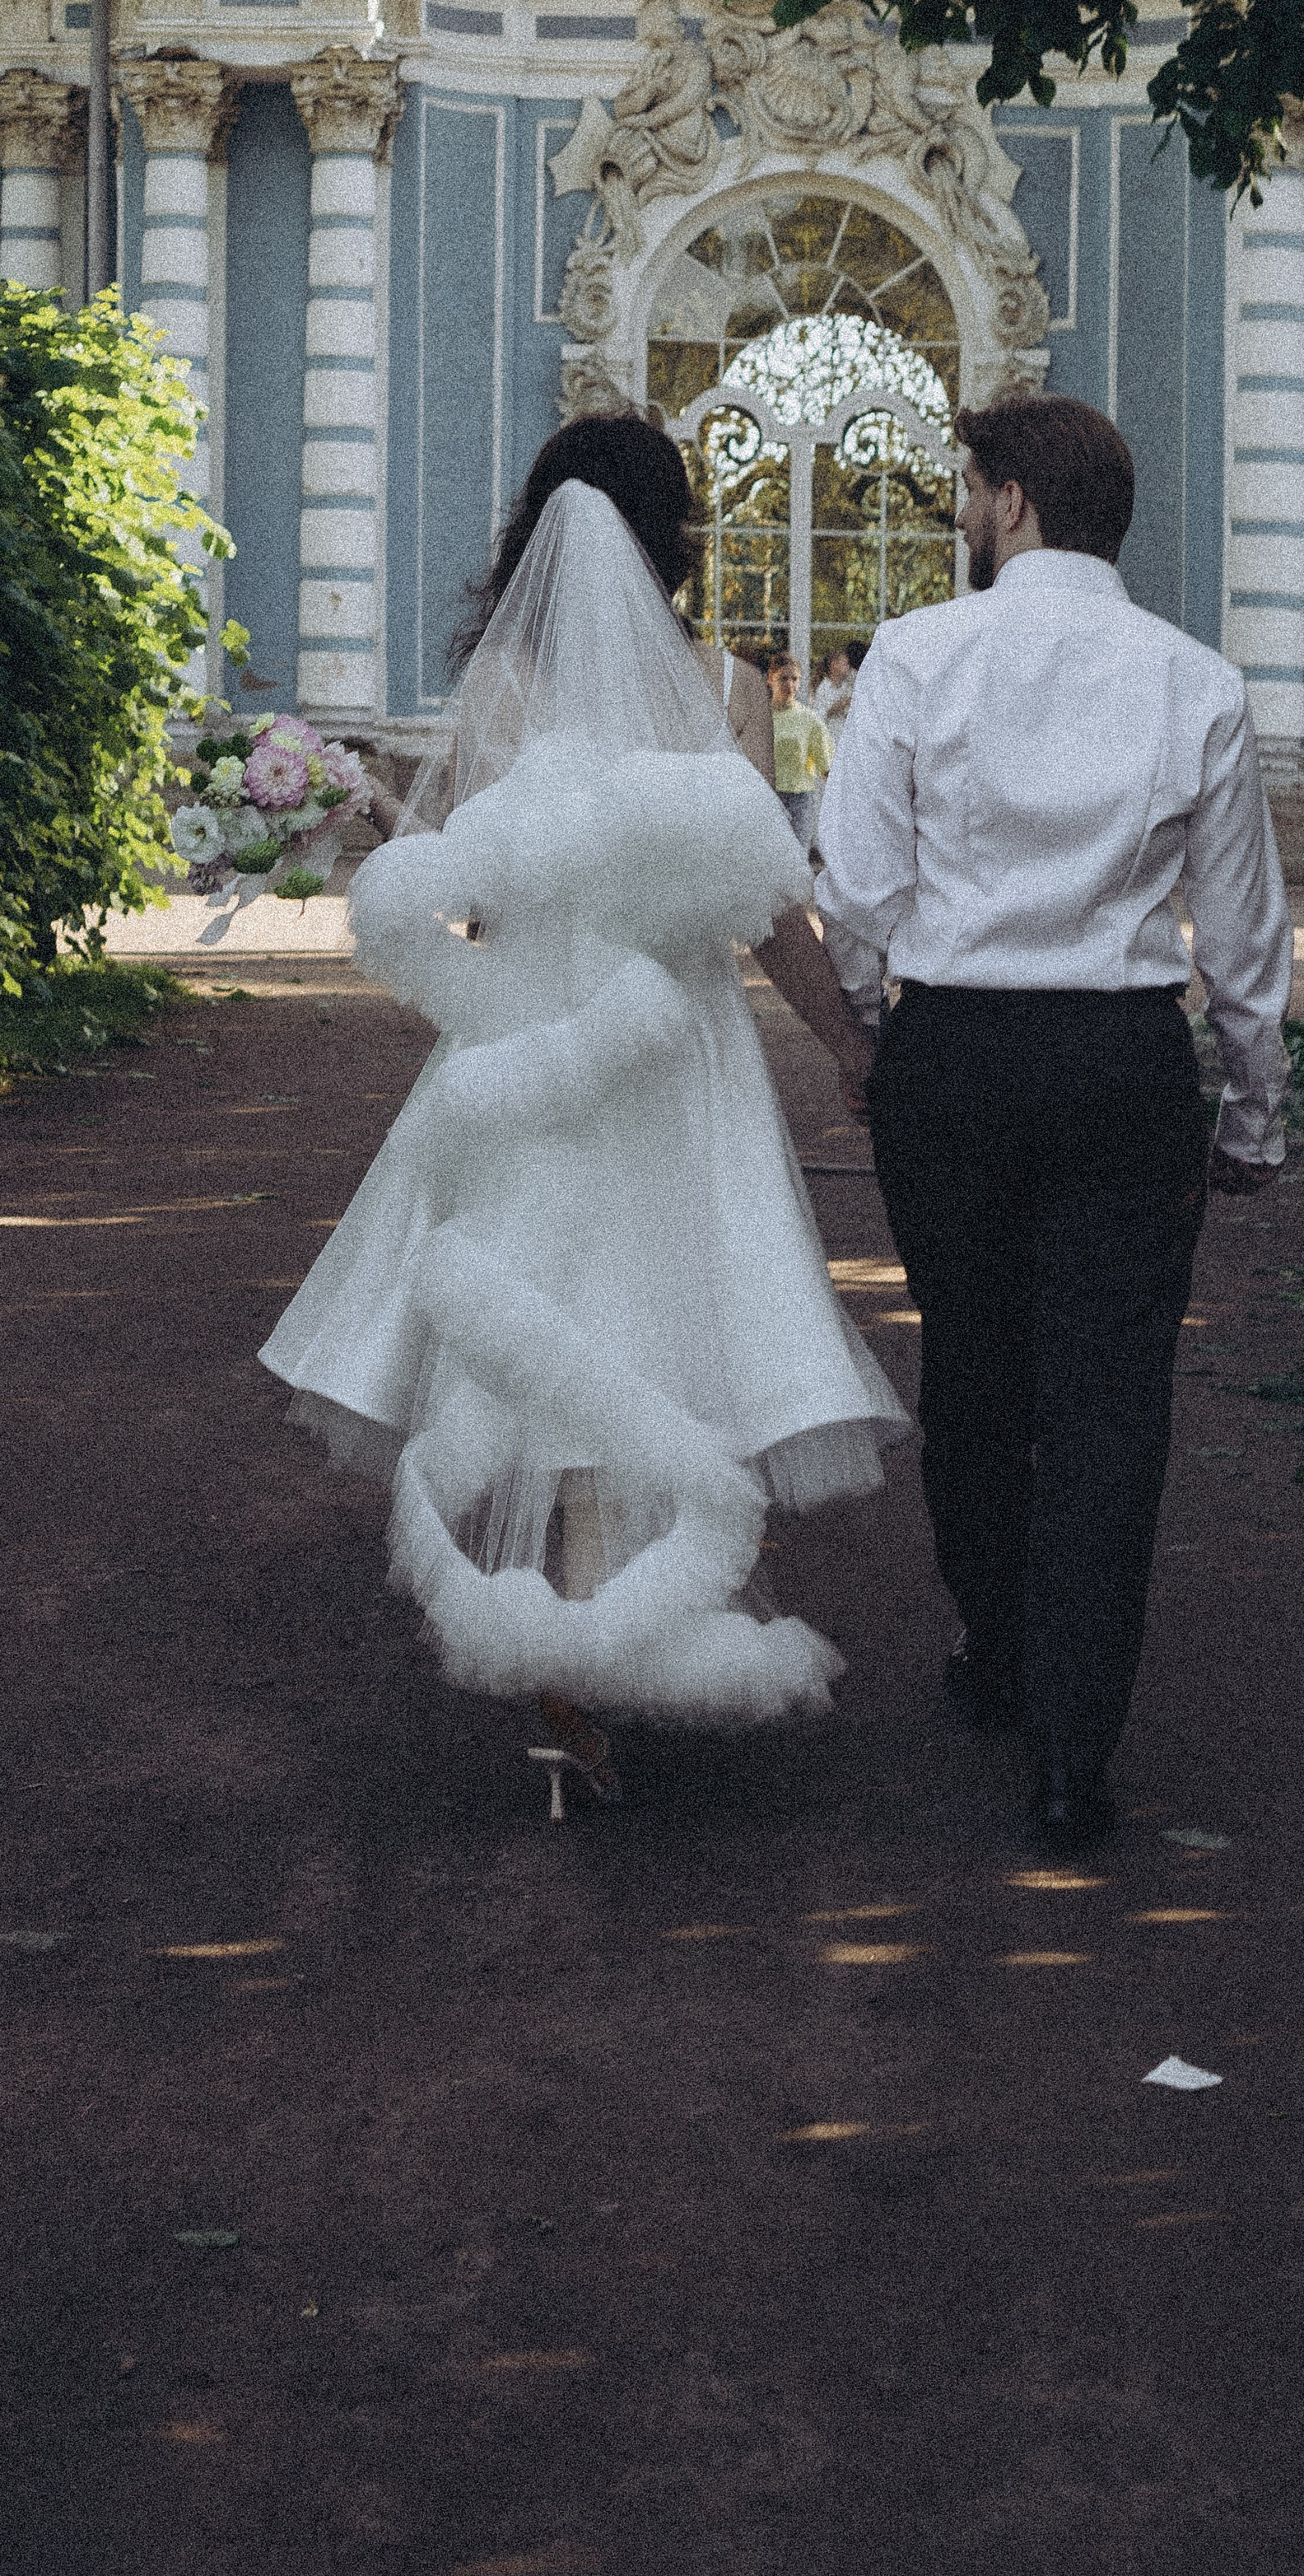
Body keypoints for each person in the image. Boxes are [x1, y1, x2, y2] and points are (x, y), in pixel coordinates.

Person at [263, 414, 897, 1806]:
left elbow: (478, 902)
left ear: (540, 526)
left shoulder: (501, 686)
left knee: (541, 1315)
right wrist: (850, 1043)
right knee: (669, 1320)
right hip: (681, 1059)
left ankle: (555, 1657)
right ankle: (623, 1621)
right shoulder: (727, 688)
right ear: (670, 531)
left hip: (539, 1038)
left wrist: (375, 818)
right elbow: (771, 913)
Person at [816, 393, 1292, 1854]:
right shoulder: (1193, 678)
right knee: (1108, 1407)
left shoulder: (913, 652)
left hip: (956, 1051)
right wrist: (1254, 1114)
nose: (961, 511)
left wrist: (879, 1030)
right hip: (1120, 1062)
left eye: (968, 489)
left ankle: (1000, 1653)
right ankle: (1076, 1755)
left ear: (1012, 500)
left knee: (972, 1363)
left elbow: (854, 886)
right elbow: (1245, 932)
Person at [768, 651, 833, 850]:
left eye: (795, 679)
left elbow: (827, 769)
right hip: (767, 799)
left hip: (799, 800)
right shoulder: (758, 716)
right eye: (784, 678)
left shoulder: (809, 720)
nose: (790, 685)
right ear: (770, 679)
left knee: (797, 861)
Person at [813, 643, 860, 749]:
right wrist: (838, 706)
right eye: (845, 664)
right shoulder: (824, 688)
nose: (848, 668)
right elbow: (818, 717)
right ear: (834, 665)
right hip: (830, 740)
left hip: (847, 741)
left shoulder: (848, 685)